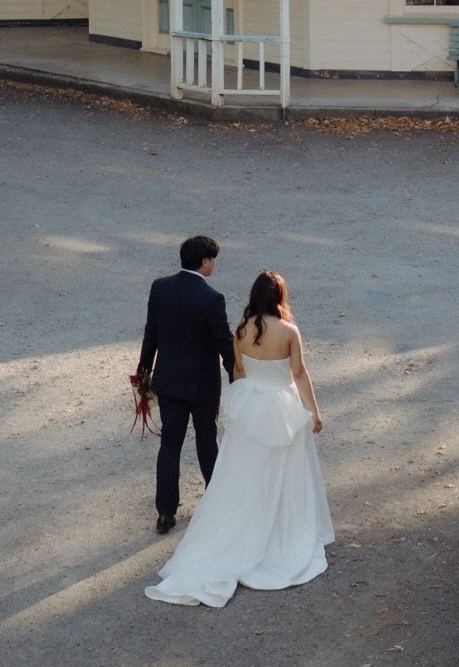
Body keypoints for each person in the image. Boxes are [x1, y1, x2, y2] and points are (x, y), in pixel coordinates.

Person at [145, 269, 333, 607]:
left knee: (246, 473)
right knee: (285, 472)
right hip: (281, 407)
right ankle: (281, 531)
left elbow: (238, 372)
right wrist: (314, 411)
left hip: (250, 405)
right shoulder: (288, 331)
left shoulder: (242, 330)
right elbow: (299, 373)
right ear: (280, 297)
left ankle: (242, 529)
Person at [138, 235, 235, 534]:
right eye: (212, 259)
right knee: (206, 440)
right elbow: (224, 344)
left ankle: (165, 513)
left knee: (170, 445)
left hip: (168, 381)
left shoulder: (160, 288)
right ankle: (217, 504)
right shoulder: (212, 298)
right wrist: (237, 376)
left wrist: (143, 374)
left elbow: (151, 334)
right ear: (204, 262)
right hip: (203, 385)